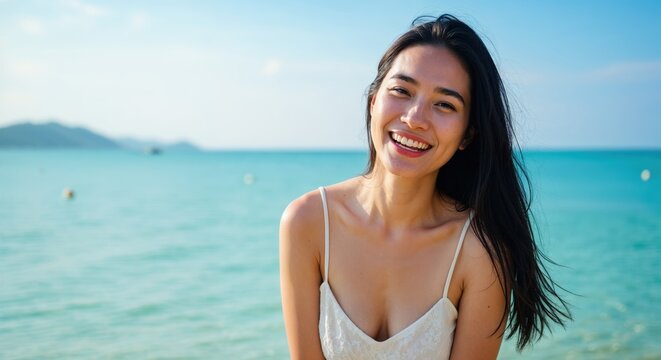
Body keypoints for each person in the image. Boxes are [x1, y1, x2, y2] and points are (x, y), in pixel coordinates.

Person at [279, 14, 570, 359]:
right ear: (374, 102)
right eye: (402, 90)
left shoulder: (478, 252)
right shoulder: (308, 222)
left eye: (444, 104)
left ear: (467, 135)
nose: (415, 118)